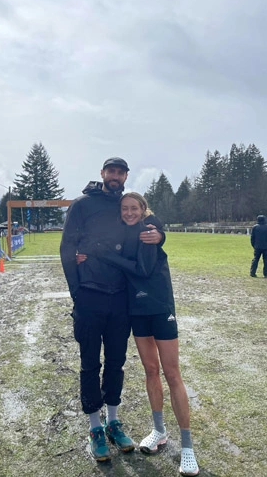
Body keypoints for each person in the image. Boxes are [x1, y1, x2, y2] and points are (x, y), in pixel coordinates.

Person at [77, 192, 199, 476]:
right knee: (150, 370)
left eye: (134, 208)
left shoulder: (149, 228)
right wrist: (82, 254)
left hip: (159, 308)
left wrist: (158, 235)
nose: (129, 212)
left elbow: (143, 269)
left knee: (172, 373)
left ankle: (187, 447)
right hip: (137, 311)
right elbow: (109, 254)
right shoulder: (126, 232)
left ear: (143, 209)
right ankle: (159, 431)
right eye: (125, 208)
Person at [60, 158, 163, 462]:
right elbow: (67, 247)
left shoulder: (126, 207)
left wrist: (162, 235)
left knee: (116, 362)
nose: (115, 176)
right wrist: (76, 291)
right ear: (102, 174)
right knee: (90, 363)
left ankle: (113, 421)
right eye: (111, 171)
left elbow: (151, 224)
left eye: (120, 172)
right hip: (89, 297)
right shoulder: (81, 205)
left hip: (120, 300)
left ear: (125, 176)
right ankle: (94, 428)